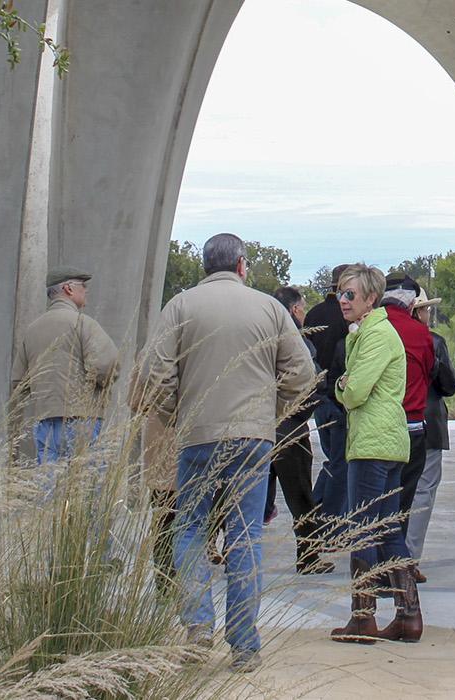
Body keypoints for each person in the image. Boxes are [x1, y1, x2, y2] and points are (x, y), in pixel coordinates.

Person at [134, 234, 312, 669]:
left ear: (204, 266)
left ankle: (197, 627)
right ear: (242, 265)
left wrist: (179, 415)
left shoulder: (179, 306)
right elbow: (302, 372)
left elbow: (154, 375)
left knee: (189, 529)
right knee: (245, 534)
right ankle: (244, 645)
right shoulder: (270, 308)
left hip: (196, 435)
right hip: (253, 438)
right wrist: (271, 411)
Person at [327, 264, 413, 645]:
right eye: (340, 294)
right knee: (388, 527)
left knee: (362, 527)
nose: (343, 301)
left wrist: (340, 388)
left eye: (350, 295)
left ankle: (363, 617)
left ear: (370, 299)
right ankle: (408, 617)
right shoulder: (367, 333)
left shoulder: (377, 334)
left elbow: (355, 390)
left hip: (373, 443)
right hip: (384, 441)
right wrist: (346, 385)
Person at [12, 266, 119, 469]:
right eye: (83, 286)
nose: (86, 291)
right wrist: (97, 387)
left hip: (45, 421)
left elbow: (19, 381)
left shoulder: (32, 329)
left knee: (48, 485)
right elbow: (107, 365)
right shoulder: (83, 323)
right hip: (82, 418)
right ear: (69, 289)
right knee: (84, 487)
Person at [265, 286, 331, 574]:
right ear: (293, 310)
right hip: (288, 427)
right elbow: (313, 379)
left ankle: (217, 546)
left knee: (237, 493)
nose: (304, 314)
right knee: (301, 495)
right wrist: (300, 410)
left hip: (255, 426)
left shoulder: (261, 333)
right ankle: (309, 555)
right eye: (303, 308)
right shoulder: (295, 339)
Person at [379, 278, 436, 595]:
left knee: (374, 503)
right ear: (413, 305)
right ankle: (394, 572)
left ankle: (371, 572)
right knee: (402, 503)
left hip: (377, 428)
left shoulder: (371, 329)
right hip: (413, 424)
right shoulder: (420, 334)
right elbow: (429, 373)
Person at [405, 293, 455, 569]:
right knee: (423, 490)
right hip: (429, 422)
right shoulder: (433, 341)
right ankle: (409, 557)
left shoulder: (380, 336)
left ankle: (388, 556)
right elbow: (450, 385)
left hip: (395, 423)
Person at [304, 265, 354, 532]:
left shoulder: (313, 314)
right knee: (341, 463)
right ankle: (330, 522)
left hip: (317, 399)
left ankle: (314, 509)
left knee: (334, 459)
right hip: (339, 398)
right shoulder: (349, 318)